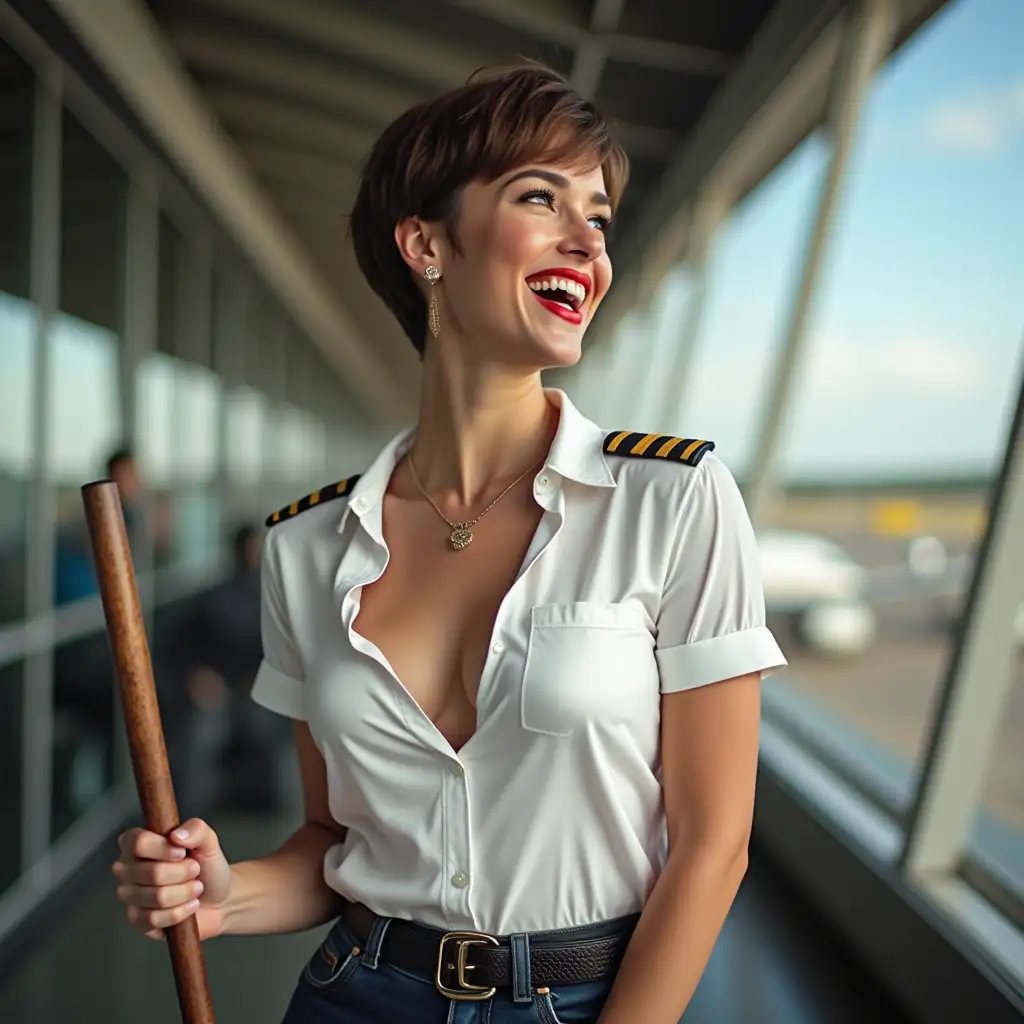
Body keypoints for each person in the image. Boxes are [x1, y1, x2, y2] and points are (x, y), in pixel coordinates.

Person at [111, 61, 787, 1023]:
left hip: (588, 998)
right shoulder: (305, 548)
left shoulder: (674, 499)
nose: (585, 244)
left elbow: (714, 843)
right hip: (354, 994)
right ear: (426, 243)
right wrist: (222, 896)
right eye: (539, 198)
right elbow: (330, 845)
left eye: (597, 217)